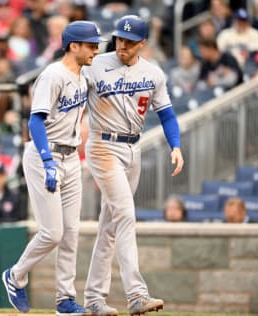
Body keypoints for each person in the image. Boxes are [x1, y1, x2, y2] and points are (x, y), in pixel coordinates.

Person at [82, 15, 184, 316]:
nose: (122, 45)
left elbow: (166, 114)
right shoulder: (96, 64)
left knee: (109, 228)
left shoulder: (153, 73)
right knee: (126, 214)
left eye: (129, 41)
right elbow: (71, 91)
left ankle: (94, 300)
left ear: (142, 43)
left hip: (132, 149)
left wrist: (176, 145)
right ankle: (136, 295)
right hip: (102, 145)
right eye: (119, 39)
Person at [1, 21, 104, 315]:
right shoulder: (53, 75)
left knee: (71, 232)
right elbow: (35, 121)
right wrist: (47, 161)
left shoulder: (83, 76)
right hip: (44, 157)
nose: (96, 50)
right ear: (74, 46)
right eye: (91, 45)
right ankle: (16, 275)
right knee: (52, 232)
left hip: (71, 157)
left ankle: (65, 300)